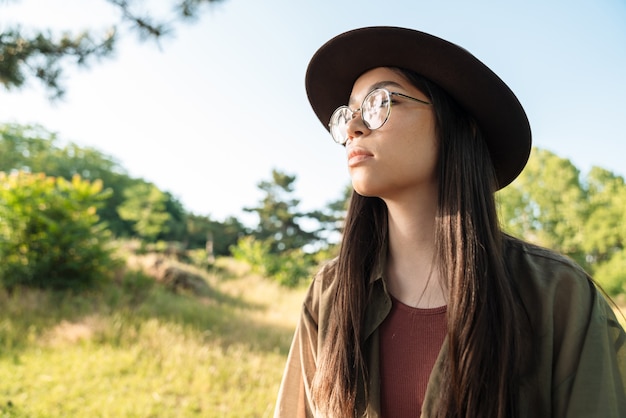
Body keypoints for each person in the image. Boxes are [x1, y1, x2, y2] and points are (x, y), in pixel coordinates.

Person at [274, 26, 626, 418]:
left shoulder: (557, 297)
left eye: (378, 103)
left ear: (460, 125)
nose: (354, 127)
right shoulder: (329, 296)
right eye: (348, 114)